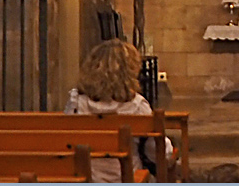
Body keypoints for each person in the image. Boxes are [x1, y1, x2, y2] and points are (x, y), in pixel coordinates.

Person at [65, 39, 174, 181]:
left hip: (88, 178)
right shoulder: (137, 106)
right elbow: (157, 153)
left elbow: (67, 143)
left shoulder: (76, 102)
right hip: (127, 178)